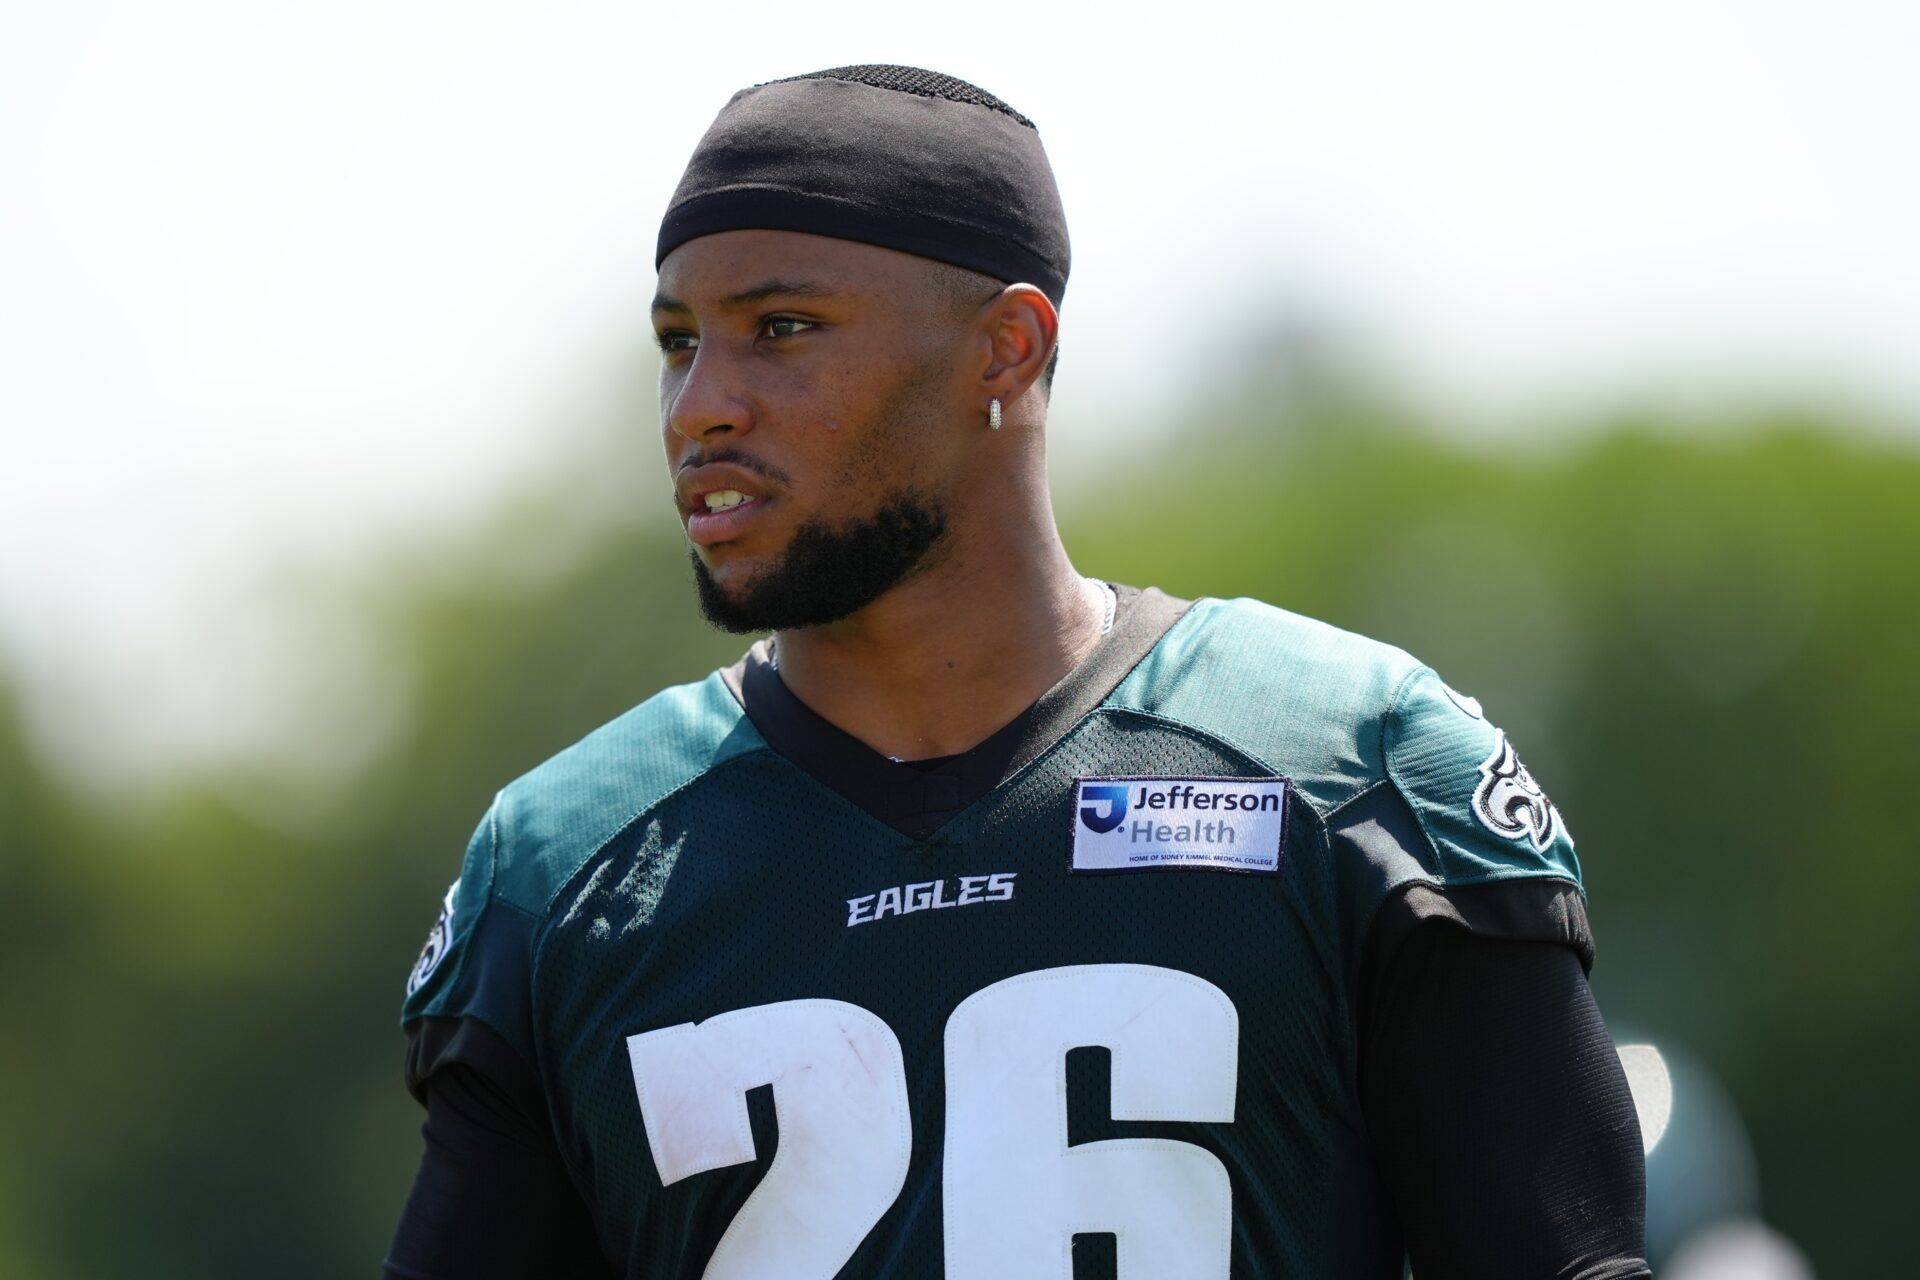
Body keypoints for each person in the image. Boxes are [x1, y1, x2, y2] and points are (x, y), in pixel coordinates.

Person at [386, 65, 1649, 1279]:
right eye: (679, 340)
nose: (701, 404)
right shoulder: (564, 869)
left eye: (781, 328)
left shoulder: (1350, 767)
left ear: (1005, 348)